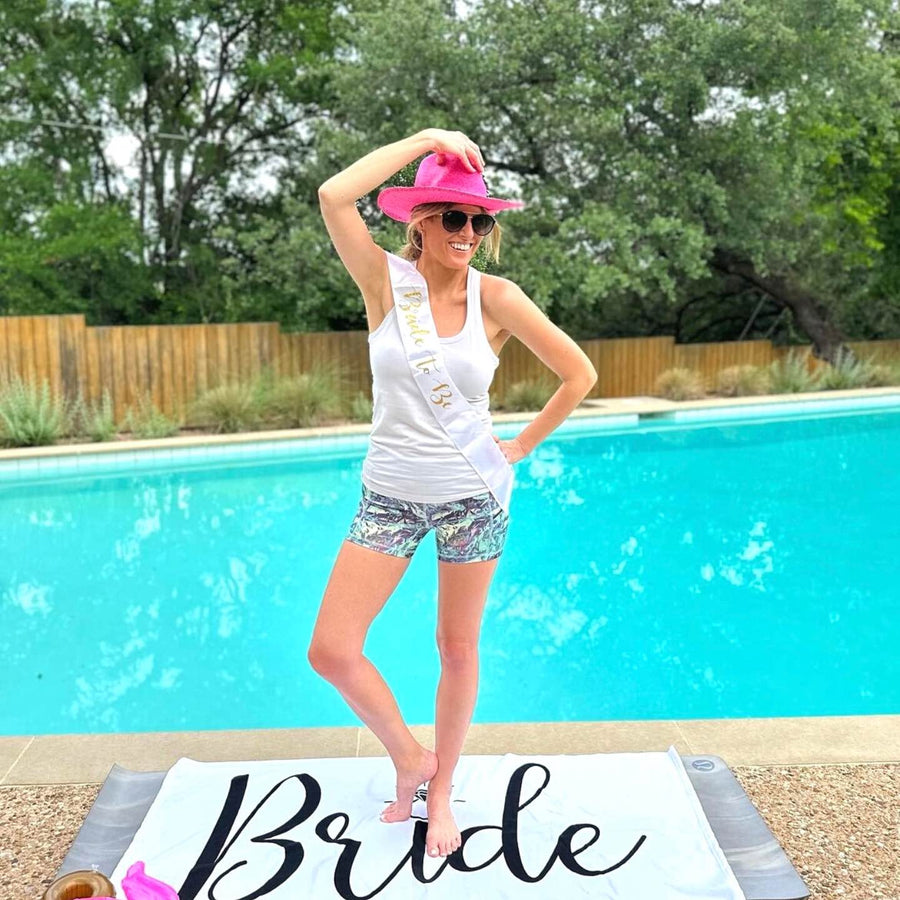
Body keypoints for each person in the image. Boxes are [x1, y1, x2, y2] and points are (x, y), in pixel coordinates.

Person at [308, 128, 597, 859]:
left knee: (456, 647)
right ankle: (411, 756)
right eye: (453, 217)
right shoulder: (383, 282)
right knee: (332, 650)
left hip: (474, 498)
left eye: (479, 219)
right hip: (389, 497)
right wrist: (426, 139)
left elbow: (579, 375)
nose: (468, 231)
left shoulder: (497, 298)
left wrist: (521, 445)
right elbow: (334, 196)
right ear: (421, 220)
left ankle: (441, 791)